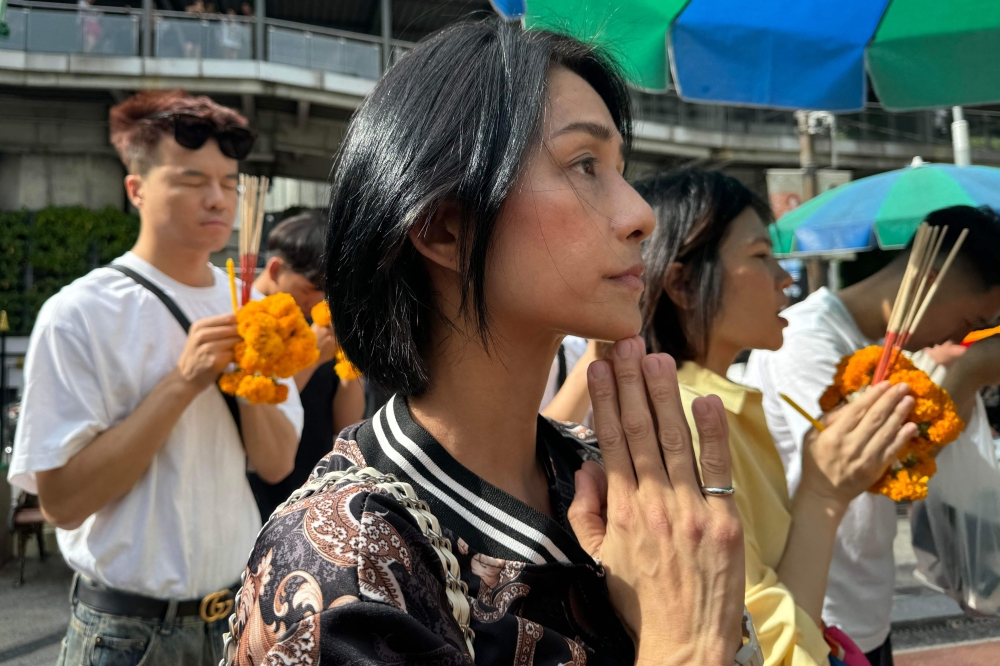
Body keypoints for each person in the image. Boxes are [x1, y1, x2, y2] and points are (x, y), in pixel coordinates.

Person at [229, 18, 754, 666]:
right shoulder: (346, 560)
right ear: (445, 227)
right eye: (584, 164)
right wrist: (688, 642)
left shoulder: (597, 479)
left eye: (621, 169)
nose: (641, 214)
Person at [7, 89, 303, 666]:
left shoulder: (249, 302)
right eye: (192, 180)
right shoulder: (79, 314)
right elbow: (62, 504)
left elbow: (276, 464)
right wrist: (182, 383)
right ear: (136, 189)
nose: (218, 198)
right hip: (126, 634)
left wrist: (249, 383)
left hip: (239, 620)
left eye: (229, 181)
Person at [638, 169, 919, 666]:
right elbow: (767, 651)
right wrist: (824, 492)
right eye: (760, 256)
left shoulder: (718, 403)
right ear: (682, 283)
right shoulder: (687, 422)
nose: (785, 277)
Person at [743, 204, 1000, 665]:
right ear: (932, 280)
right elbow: (877, 469)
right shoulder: (807, 339)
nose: (962, 336)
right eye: (970, 322)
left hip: (863, 608)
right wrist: (972, 372)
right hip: (815, 612)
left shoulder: (875, 346)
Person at [247, 211, 365, 521]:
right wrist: (311, 358)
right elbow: (258, 407)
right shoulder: (246, 321)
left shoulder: (317, 320)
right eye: (309, 288)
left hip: (315, 487)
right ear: (275, 269)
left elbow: (347, 425)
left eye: (324, 290)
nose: (316, 299)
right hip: (259, 491)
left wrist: (348, 364)